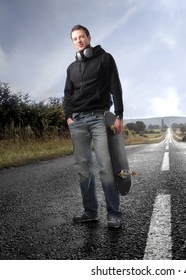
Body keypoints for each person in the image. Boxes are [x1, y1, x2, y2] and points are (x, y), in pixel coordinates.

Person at [64, 24, 124, 228]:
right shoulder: (71, 68)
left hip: (99, 118)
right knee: (83, 169)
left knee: (106, 167)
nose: (79, 40)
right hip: (78, 122)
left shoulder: (105, 58)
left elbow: (115, 85)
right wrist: (68, 117)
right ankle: (90, 212)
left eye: (81, 36)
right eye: (75, 38)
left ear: (89, 37)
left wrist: (119, 115)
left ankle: (114, 214)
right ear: (73, 42)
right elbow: (67, 93)